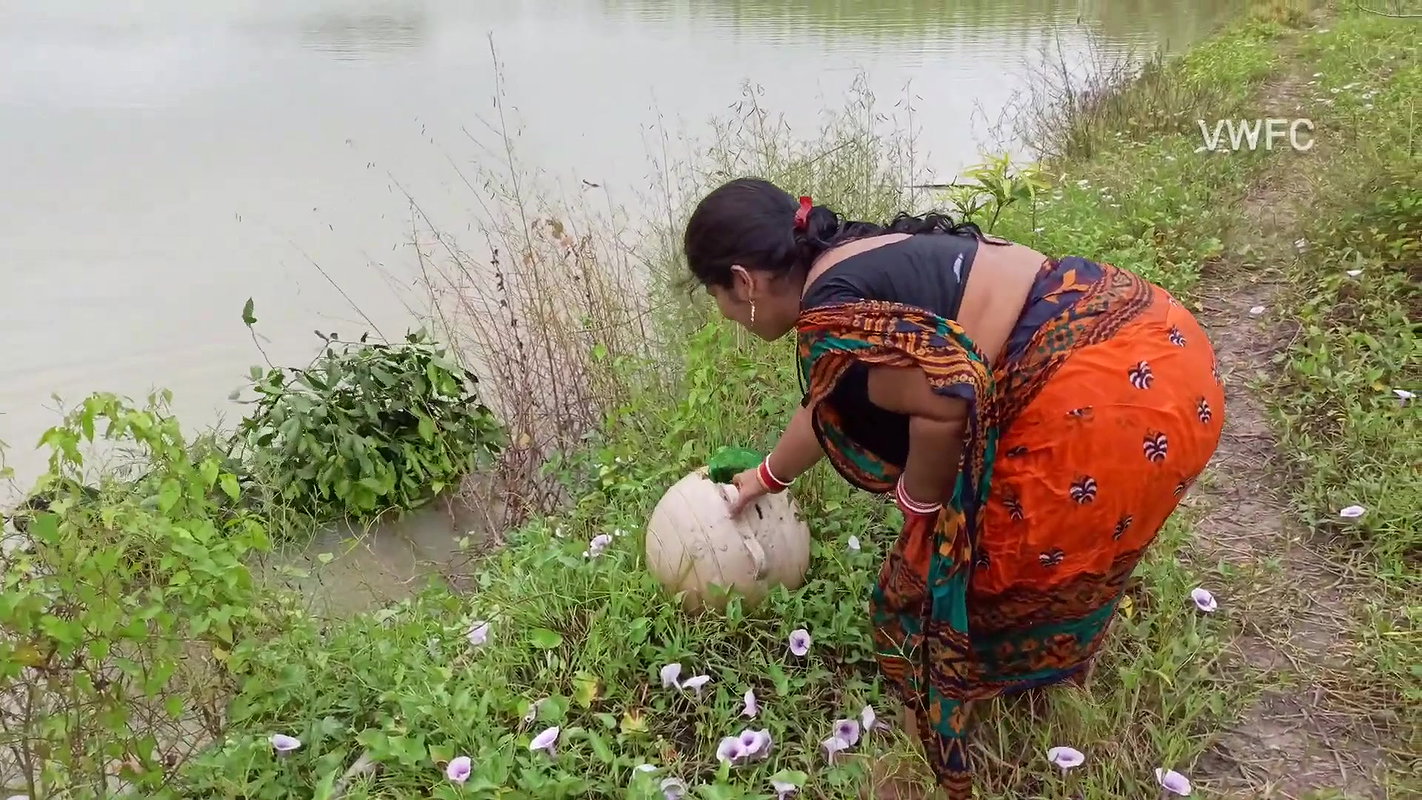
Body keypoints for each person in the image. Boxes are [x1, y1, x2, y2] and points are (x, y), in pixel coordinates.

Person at [682, 177, 1226, 799]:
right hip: (1167, 357)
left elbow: (943, 401)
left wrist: (920, 501)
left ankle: (920, 772)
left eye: (717, 297)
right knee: (1053, 560)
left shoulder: (832, 318)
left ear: (743, 282)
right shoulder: (860, 255)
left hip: (1103, 407)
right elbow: (831, 400)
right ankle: (1041, 694)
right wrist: (765, 477)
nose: (726, 316)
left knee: (920, 598)